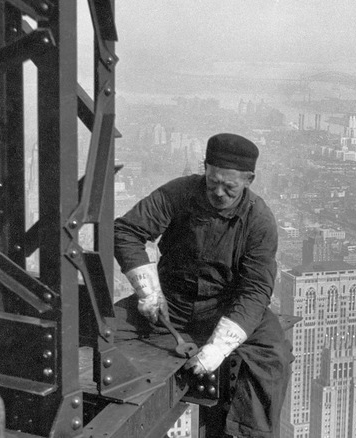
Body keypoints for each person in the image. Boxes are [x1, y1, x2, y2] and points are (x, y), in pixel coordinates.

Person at [114, 133, 291, 438]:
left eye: (229, 187)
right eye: (212, 182)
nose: (218, 192)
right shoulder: (178, 193)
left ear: (249, 180)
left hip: (226, 309)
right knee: (102, 328)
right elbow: (127, 230)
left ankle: (249, 434)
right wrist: (147, 290)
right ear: (204, 168)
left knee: (272, 352)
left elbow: (255, 291)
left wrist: (219, 348)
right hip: (170, 305)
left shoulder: (259, 221)